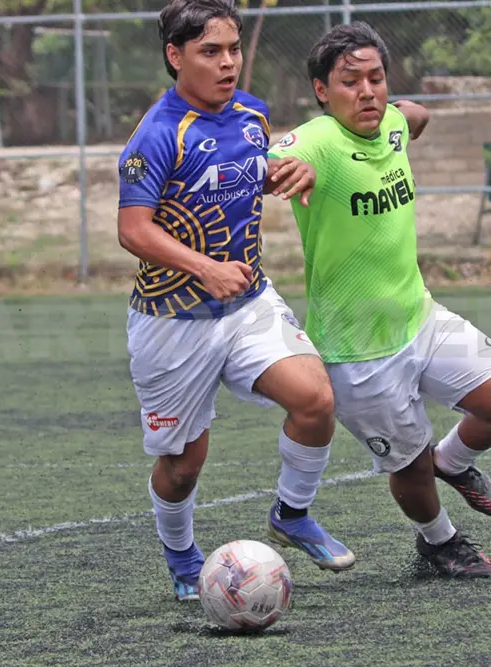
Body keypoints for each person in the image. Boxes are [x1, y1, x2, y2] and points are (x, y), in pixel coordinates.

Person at [268, 22, 491, 578]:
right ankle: (439, 543)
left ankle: (455, 460)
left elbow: (413, 116)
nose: (367, 91)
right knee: (408, 465)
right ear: (322, 91)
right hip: (357, 350)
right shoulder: (315, 141)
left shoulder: (391, 120)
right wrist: (279, 166)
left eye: (376, 78)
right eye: (350, 82)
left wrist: (413, 113)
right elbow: (277, 157)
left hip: (422, 319)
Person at [118, 0, 355, 601]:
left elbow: (252, 169)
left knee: (315, 399)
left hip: (248, 303)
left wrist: (287, 172)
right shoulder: (155, 136)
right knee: (183, 465)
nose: (228, 64)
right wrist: (203, 269)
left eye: (233, 49)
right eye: (210, 52)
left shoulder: (252, 112)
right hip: (172, 322)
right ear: (175, 57)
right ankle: (180, 556)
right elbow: (133, 230)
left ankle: (292, 514)